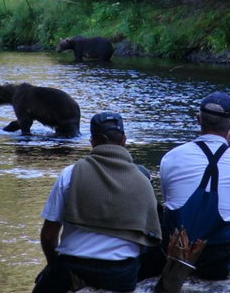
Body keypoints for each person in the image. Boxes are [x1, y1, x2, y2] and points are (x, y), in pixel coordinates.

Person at [33, 112, 161, 293]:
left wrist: (52, 265)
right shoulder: (143, 179)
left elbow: (48, 236)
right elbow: (149, 239)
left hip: (72, 266)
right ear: (124, 140)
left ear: (92, 141)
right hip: (121, 274)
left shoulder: (70, 174)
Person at [159, 91, 230, 280]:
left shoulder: (172, 156)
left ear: (198, 119)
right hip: (215, 264)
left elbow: (168, 200)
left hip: (172, 257)